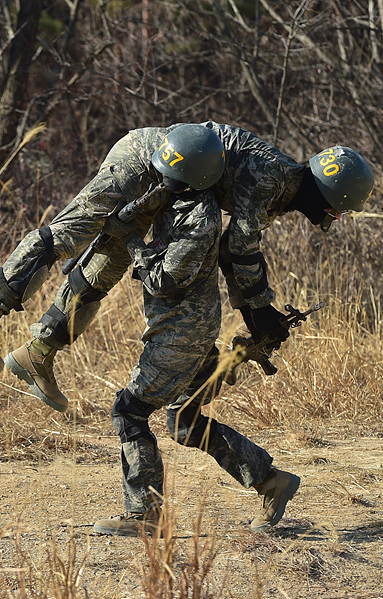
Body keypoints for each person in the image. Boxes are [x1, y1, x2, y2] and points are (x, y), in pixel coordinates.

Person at [0, 121, 375, 410]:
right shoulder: (272, 182)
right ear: (332, 199)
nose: (337, 219)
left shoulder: (283, 183)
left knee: (105, 268)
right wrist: (259, 312)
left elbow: (233, 250)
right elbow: (239, 250)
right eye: (341, 212)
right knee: (72, 229)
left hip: (177, 189)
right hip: (147, 159)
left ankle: (39, 354)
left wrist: (257, 311)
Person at [89, 177, 299, 536]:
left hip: (180, 337)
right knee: (184, 423)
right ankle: (270, 481)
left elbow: (163, 280)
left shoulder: (198, 217)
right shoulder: (181, 204)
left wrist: (129, 238)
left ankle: (144, 513)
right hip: (189, 332)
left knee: (129, 411)